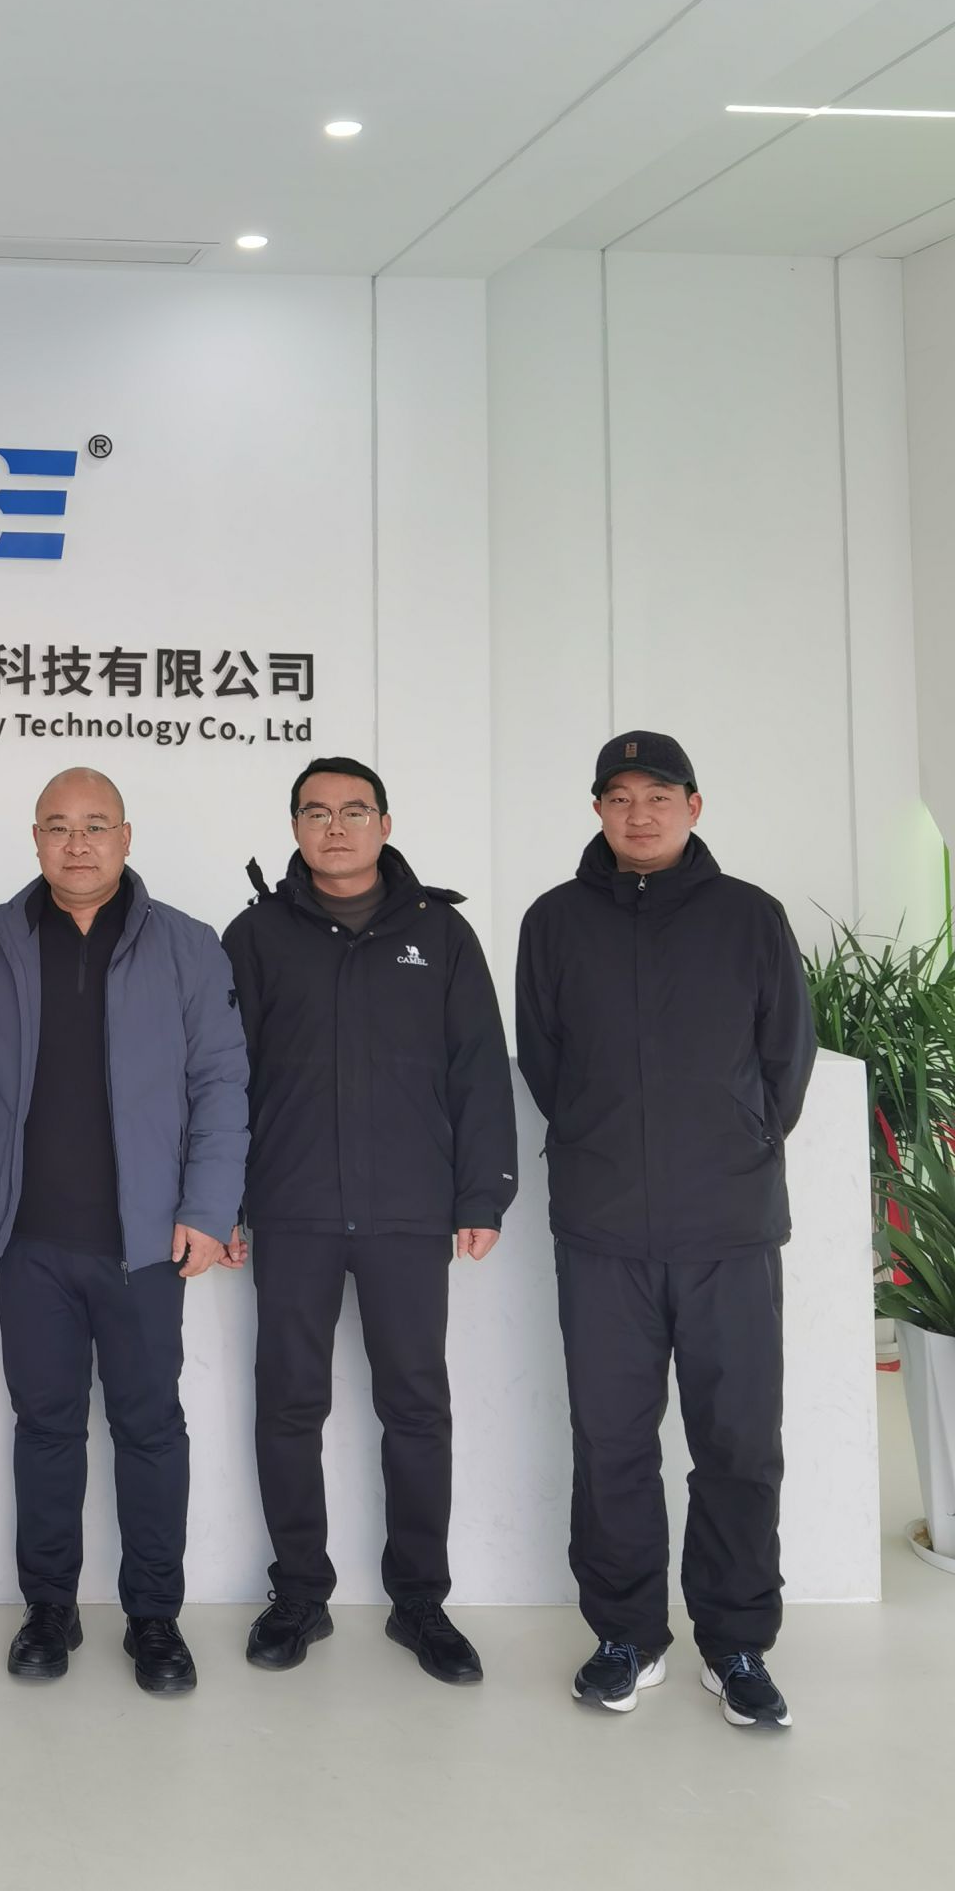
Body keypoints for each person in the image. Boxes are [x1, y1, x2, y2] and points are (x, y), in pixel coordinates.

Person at [516, 731, 816, 1731]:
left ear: (693, 805)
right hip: (601, 1229)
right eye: (618, 797)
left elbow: (785, 1059)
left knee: (738, 1443)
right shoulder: (554, 921)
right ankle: (626, 1636)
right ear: (597, 810)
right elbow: (545, 1061)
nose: (637, 814)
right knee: (610, 1441)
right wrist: (602, 1143)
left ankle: (735, 1644)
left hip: (728, 1225)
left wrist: (733, 1143)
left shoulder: (749, 917)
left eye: (657, 795)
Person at [221, 759, 515, 1687]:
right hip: (294, 1207)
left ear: (385, 824)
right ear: (295, 828)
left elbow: (478, 1067)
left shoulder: (441, 934)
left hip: (408, 1211)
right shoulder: (257, 935)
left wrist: (482, 1194)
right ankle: (299, 1593)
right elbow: (224, 1077)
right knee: (288, 1404)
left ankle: (420, 1600)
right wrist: (222, 1201)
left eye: (354, 811)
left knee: (416, 1407)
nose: (336, 827)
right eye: (317, 812)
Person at [0, 767, 248, 1698]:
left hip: (145, 1244)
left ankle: (155, 1618)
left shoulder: (188, 946)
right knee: (43, 1426)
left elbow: (221, 1084)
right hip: (30, 1240)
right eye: (58, 827)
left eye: (94, 826)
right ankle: (49, 1609)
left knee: (149, 1427)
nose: (76, 844)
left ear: (126, 837)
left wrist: (208, 1209)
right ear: (35, 840)